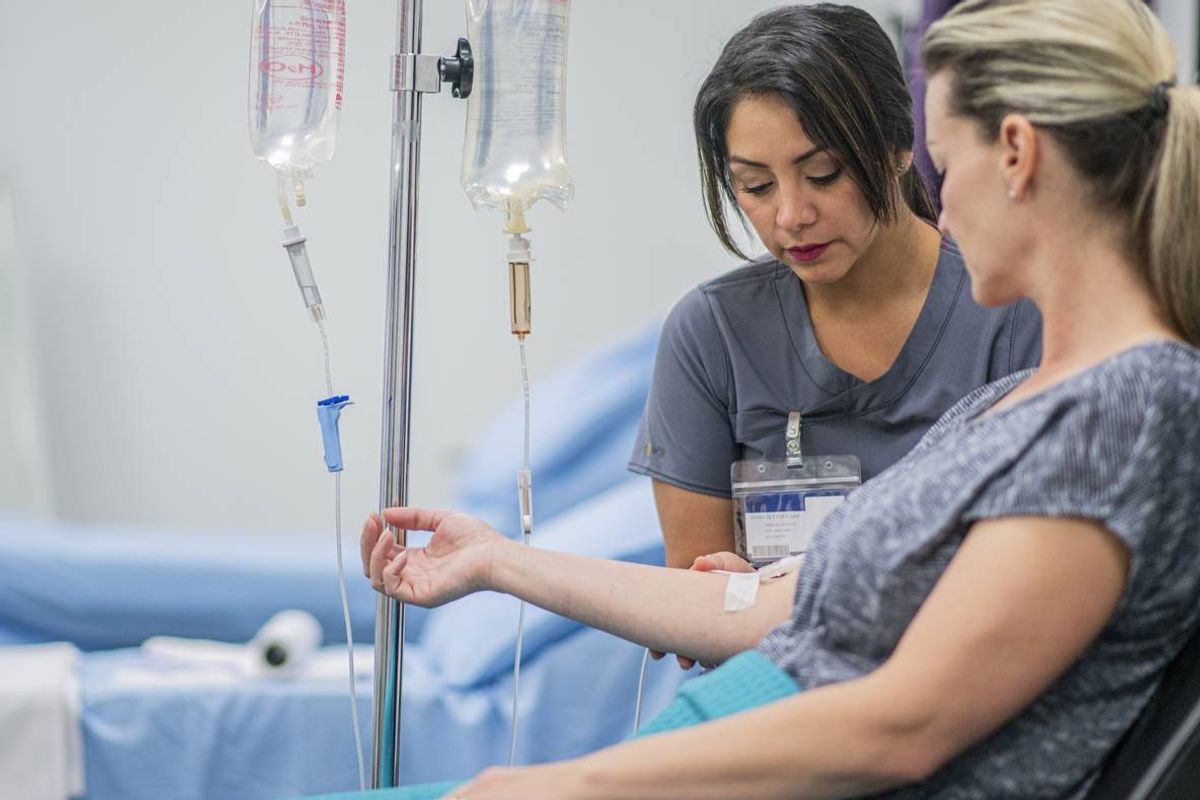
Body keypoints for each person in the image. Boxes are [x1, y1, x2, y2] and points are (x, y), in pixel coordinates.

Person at [360, 0, 1200, 796]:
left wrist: (565, 782)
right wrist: (498, 561)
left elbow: (903, 725)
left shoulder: (1125, 409)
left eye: (943, 158)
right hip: (718, 740)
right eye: (755, 185)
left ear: (1012, 153)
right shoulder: (1020, 402)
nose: (938, 202)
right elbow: (758, 605)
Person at [626, 4, 1041, 572]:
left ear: (899, 147)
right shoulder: (712, 334)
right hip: (774, 658)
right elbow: (697, 602)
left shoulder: (1016, 313)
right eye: (755, 185)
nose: (792, 215)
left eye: (824, 174)